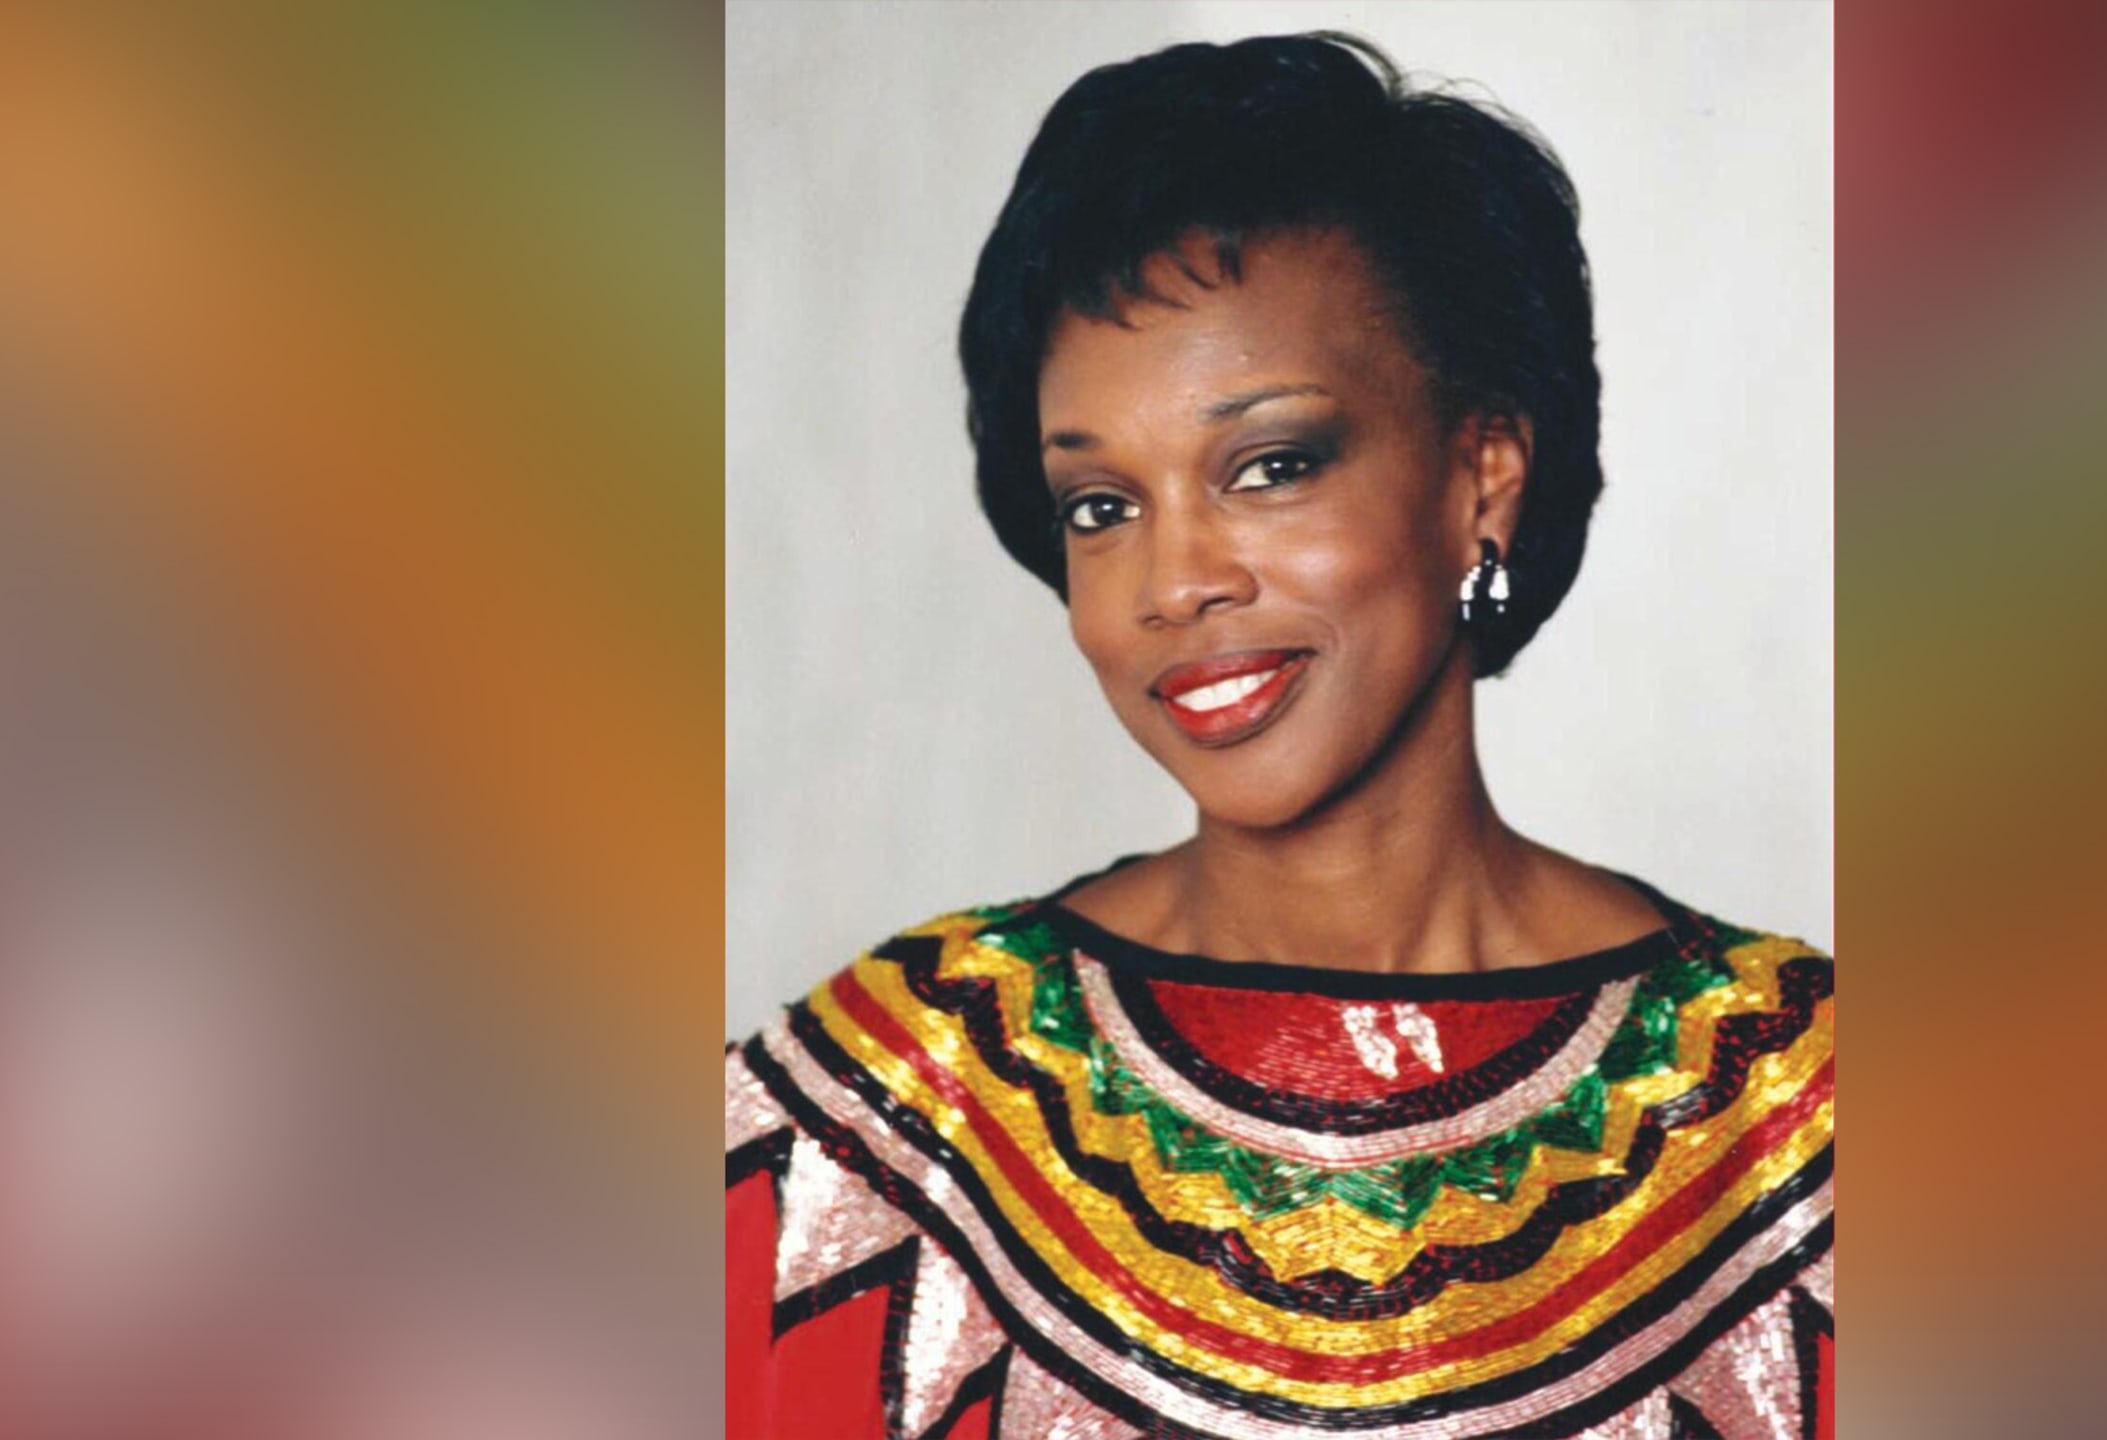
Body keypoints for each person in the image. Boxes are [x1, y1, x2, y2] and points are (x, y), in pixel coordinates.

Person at [727, 33, 1832, 1440]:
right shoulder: (879, 1120)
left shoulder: (1808, 1126)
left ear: (1481, 477)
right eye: (1100, 507)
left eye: (1270, 467)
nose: (1172, 583)